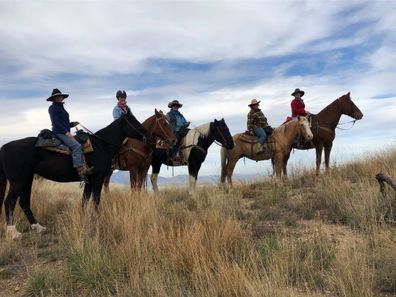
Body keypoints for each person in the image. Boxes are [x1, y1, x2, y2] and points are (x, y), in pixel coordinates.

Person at [47, 88, 93, 183]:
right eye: (57, 97)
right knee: (76, 146)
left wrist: (72, 124)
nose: (59, 98)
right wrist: (66, 132)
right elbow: (56, 122)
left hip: (64, 131)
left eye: (60, 96)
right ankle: (80, 169)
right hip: (59, 132)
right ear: (54, 99)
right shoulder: (52, 108)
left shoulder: (61, 107)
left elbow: (64, 122)